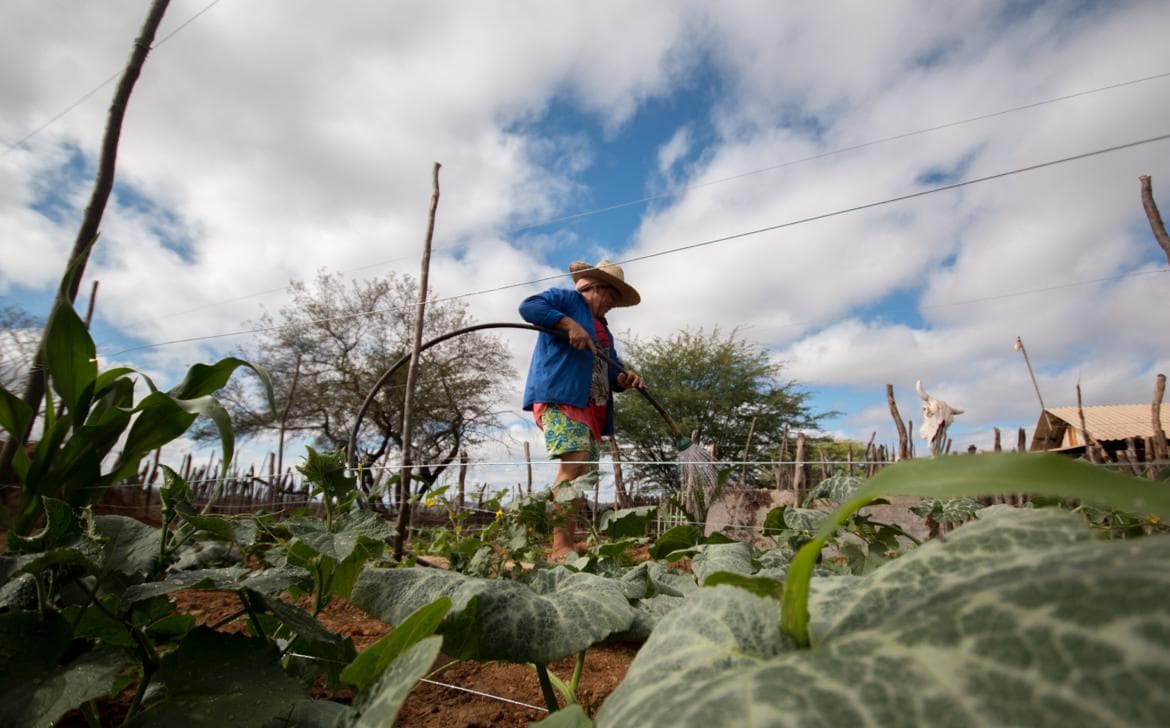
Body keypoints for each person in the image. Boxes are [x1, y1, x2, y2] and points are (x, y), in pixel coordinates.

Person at [520, 259, 645, 561]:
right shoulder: (566, 300)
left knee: (582, 474)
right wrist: (568, 323)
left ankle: (567, 543)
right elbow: (528, 307)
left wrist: (624, 378)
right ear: (594, 288)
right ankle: (559, 548)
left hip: (592, 408)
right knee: (573, 463)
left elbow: (610, 373)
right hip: (561, 397)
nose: (613, 305)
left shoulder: (603, 330)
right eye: (612, 297)